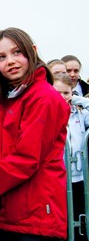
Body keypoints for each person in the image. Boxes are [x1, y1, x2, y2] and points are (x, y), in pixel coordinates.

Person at [0, 27, 69, 241]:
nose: (10, 61)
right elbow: (14, 138)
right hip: (13, 212)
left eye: (17, 52)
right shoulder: (12, 99)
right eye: (2, 57)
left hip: (35, 218)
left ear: (32, 52)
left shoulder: (43, 98)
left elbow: (26, 159)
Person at [53, 73, 88, 241]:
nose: (62, 97)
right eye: (57, 92)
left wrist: (78, 100)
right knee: (63, 218)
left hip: (80, 176)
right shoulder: (49, 112)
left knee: (81, 215)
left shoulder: (80, 113)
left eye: (66, 93)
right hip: (59, 177)